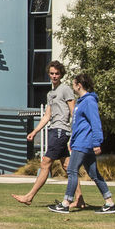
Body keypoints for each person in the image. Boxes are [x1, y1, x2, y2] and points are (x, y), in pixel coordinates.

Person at [51, 73, 115, 215]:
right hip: (79, 142)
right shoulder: (81, 102)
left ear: (79, 85)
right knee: (94, 174)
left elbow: (95, 122)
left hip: (84, 143)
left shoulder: (89, 101)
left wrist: (97, 142)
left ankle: (66, 203)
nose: (72, 86)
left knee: (72, 170)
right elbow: (78, 124)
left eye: (74, 84)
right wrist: (72, 141)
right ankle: (109, 202)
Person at [15, 60, 74, 206]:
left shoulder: (65, 89)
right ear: (49, 74)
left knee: (45, 163)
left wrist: (75, 133)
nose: (54, 76)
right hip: (54, 129)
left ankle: (29, 197)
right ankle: (79, 199)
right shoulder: (50, 94)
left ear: (61, 75)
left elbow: (74, 112)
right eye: (52, 73)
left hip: (61, 130)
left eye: (57, 74)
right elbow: (47, 115)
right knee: (68, 167)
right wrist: (34, 131)